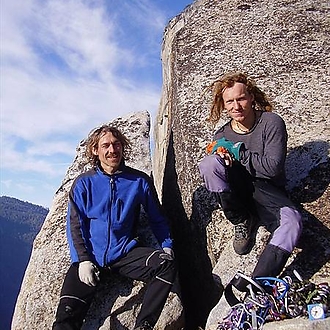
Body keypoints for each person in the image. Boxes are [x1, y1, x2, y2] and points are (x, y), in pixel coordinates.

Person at [52, 126, 176, 330]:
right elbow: (75, 226)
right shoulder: (84, 183)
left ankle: (144, 325)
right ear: (95, 151)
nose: (112, 150)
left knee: (166, 265)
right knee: (65, 317)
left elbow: (157, 218)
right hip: (91, 257)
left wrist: (167, 245)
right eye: (106, 145)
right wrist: (83, 260)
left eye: (116, 144)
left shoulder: (139, 181)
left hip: (124, 254)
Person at [199, 72, 303, 281]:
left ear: (251, 97)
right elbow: (217, 172)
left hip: (267, 191)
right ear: (223, 104)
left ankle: (259, 282)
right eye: (230, 101)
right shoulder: (221, 135)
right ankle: (241, 220)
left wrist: (238, 153)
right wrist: (226, 162)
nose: (236, 106)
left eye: (241, 98)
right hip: (239, 190)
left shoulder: (271, 123)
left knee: (293, 221)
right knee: (209, 163)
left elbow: (272, 168)